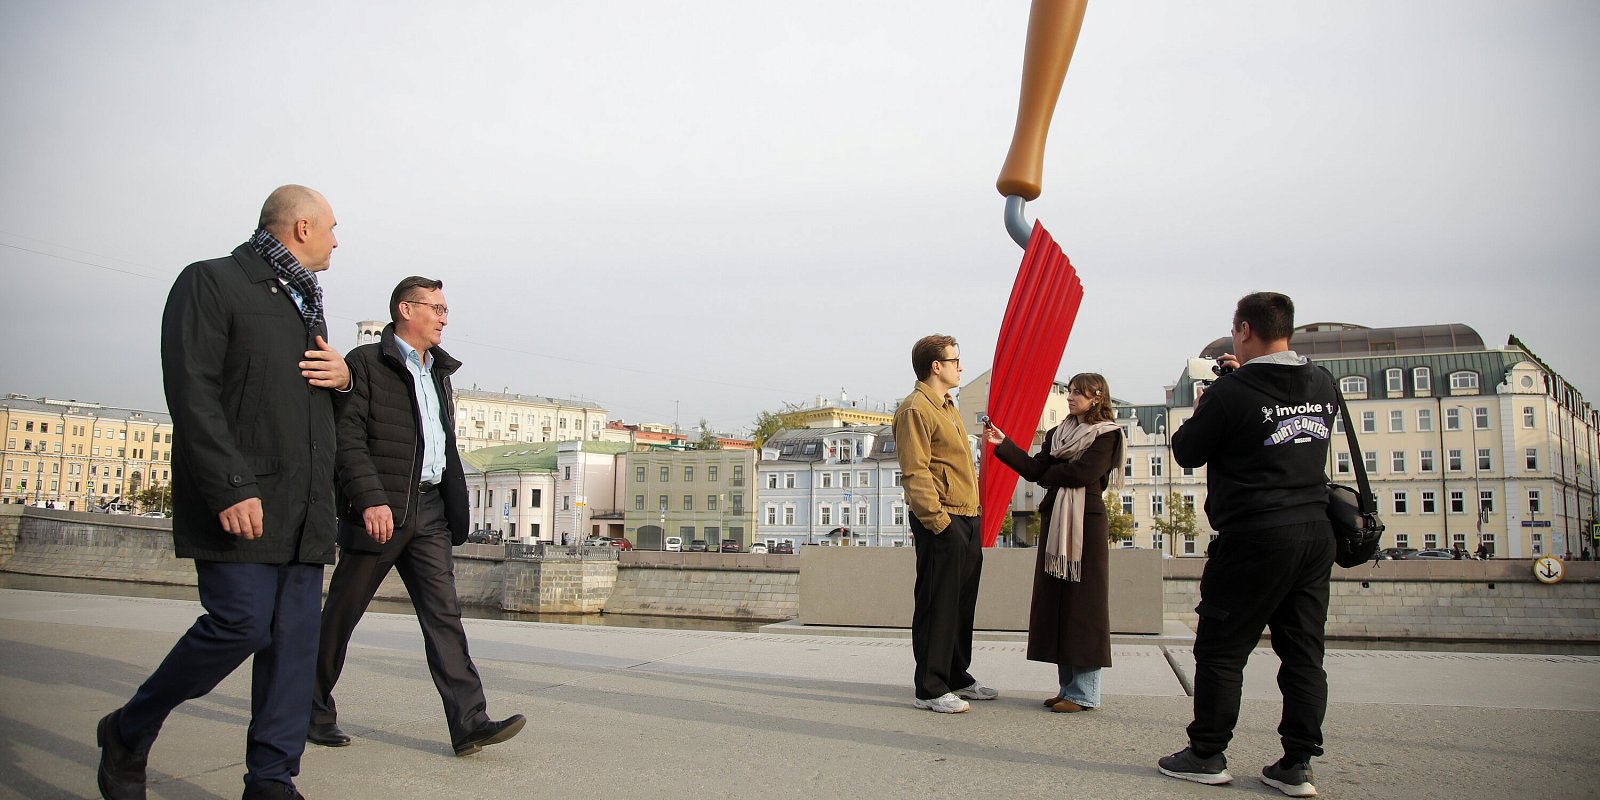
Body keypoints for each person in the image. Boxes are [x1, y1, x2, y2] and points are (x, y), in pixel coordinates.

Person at [97, 185, 349, 800]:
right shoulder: (210, 282)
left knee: (293, 647)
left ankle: (271, 780)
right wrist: (231, 484)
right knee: (240, 624)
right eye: (333, 229)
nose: (339, 242)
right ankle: (129, 729)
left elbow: (300, 408)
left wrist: (342, 379)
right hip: (244, 500)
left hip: (303, 507)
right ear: (301, 227)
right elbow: (192, 391)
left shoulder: (303, 303)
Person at [308, 277, 525, 757]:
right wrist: (369, 501)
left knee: (444, 616)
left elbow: (443, 446)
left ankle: (469, 722)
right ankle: (310, 707)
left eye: (446, 309)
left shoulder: (439, 373)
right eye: (437, 308)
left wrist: (453, 510)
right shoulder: (364, 364)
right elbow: (348, 441)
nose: (445, 317)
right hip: (381, 511)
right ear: (406, 309)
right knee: (342, 614)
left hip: (428, 512)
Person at [1157, 292, 1337, 799]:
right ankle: (1296, 764)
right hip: (1314, 530)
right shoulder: (1322, 382)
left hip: (1255, 533)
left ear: (1242, 329)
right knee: (1303, 651)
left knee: (1221, 648)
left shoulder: (1230, 394)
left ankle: (1206, 753)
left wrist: (1207, 402)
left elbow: (1188, 450)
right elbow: (1281, 411)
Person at [983, 373, 1124, 714]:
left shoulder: (1107, 434)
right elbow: (1033, 470)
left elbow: (1082, 475)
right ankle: (1068, 689)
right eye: (1070, 392)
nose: (1071, 397)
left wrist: (1049, 475)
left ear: (1097, 396)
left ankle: (1085, 693)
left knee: (1083, 605)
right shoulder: (1057, 434)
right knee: (1060, 602)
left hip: (1084, 525)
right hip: (1056, 521)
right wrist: (1004, 445)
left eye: (1079, 393)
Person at [892, 334, 996, 713]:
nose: (961, 367)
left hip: (967, 514)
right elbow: (915, 472)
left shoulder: (947, 405)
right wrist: (939, 523)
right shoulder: (915, 409)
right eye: (955, 360)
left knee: (961, 602)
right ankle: (930, 687)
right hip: (942, 519)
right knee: (937, 603)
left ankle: (955, 675)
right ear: (936, 366)